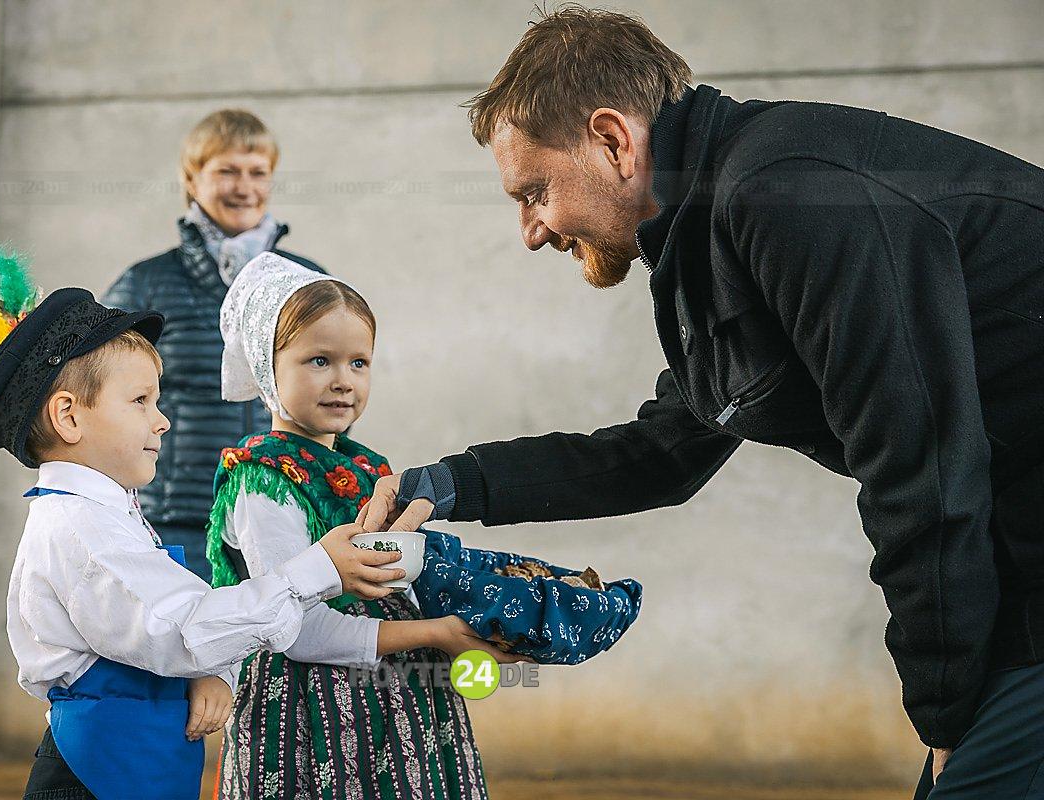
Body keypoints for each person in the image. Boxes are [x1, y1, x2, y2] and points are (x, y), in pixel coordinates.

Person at [357, 7, 1044, 797]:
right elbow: (659, 456)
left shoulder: (788, 195)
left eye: (535, 191)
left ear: (613, 141)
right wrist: (446, 485)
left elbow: (921, 473)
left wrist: (946, 720)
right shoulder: (716, 234)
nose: (531, 231)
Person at [0, 262, 406, 800]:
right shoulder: (80, 529)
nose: (162, 420)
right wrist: (317, 570)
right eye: (141, 401)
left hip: (136, 763)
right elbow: (182, 630)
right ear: (69, 418)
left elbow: (181, 619)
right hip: (95, 776)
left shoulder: (105, 513)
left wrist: (216, 673)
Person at [208, 253, 522, 799]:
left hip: (398, 700)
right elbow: (298, 629)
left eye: (359, 362)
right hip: (312, 713)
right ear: (267, 366)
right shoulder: (262, 480)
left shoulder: (368, 469)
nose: (342, 382)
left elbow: (399, 574)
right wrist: (436, 633)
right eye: (318, 360)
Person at [103, 108, 326, 582]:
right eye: (226, 171)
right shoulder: (145, 283)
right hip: (176, 519)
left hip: (282, 507)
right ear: (192, 178)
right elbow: (99, 393)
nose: (243, 186)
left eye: (257, 172)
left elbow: (331, 387)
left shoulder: (304, 280)